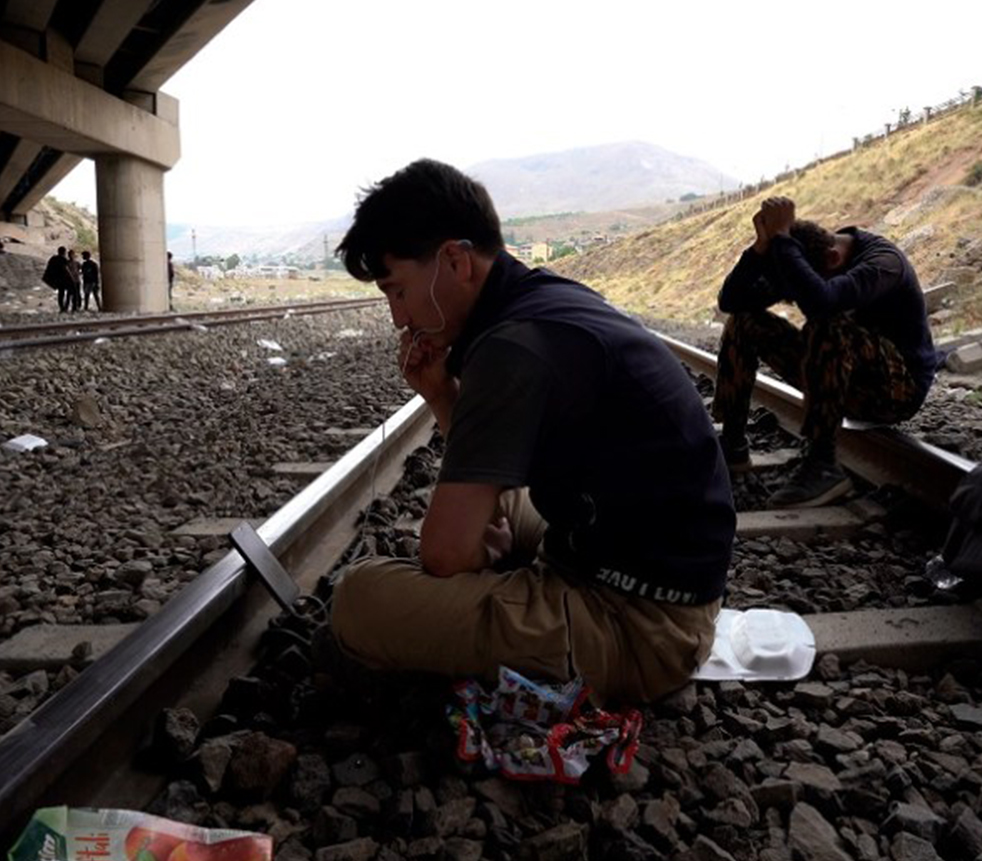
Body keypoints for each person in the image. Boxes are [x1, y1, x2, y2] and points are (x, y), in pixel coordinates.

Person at [327, 159, 735, 706]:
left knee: (358, 600)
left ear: (454, 260)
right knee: (500, 503)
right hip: (637, 569)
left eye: (397, 291)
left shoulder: (511, 348)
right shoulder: (537, 301)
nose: (400, 318)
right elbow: (483, 473)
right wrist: (444, 397)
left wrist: (470, 560)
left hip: (640, 627)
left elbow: (444, 556)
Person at [714, 196, 941, 508]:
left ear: (833, 260)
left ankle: (823, 465)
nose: (794, 298)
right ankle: (732, 445)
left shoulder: (883, 264)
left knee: (826, 325)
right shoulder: (811, 260)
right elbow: (731, 301)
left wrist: (783, 240)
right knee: (745, 321)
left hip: (894, 392)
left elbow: (822, 303)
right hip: (839, 377)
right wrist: (760, 249)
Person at [42, 246, 71, 312]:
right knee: (69, 292)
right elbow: (66, 269)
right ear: (64, 252)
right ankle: (66, 307)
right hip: (64, 279)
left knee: (61, 293)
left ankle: (62, 307)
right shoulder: (63, 260)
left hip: (57, 279)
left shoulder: (53, 258)